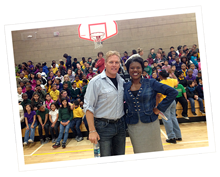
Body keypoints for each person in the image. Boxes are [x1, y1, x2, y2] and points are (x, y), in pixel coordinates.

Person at [124, 58, 179, 153]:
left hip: (151, 123)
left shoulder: (151, 83)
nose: (135, 70)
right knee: (139, 152)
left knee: (155, 150)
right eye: (132, 68)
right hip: (133, 125)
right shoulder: (125, 86)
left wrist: (159, 108)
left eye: (138, 67)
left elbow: (172, 92)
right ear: (128, 69)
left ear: (142, 69)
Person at [83, 50, 126, 157]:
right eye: (111, 62)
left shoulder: (122, 81)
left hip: (120, 126)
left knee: (120, 157)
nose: (114, 65)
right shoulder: (95, 82)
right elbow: (88, 107)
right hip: (103, 127)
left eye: (117, 62)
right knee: (105, 159)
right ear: (105, 63)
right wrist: (92, 130)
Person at [157, 70, 182, 144]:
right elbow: (177, 82)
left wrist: (156, 105)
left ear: (161, 76)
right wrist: (172, 74)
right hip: (173, 101)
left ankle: (171, 137)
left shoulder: (160, 83)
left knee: (167, 119)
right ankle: (178, 135)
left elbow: (158, 95)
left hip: (165, 102)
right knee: (173, 118)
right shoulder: (171, 80)